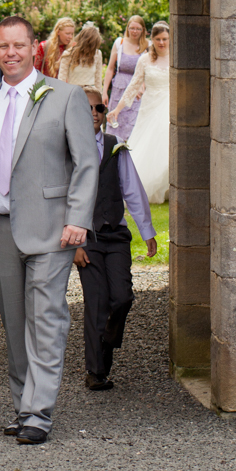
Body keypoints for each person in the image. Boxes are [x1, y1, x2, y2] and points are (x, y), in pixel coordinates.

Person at [0, 15, 98, 446]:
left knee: (46, 318)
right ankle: (22, 406)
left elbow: (86, 163)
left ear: (34, 48)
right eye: (3, 46)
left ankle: (39, 412)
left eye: (19, 45)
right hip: (1, 226)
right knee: (13, 322)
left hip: (54, 229)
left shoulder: (65, 96)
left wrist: (78, 219)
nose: (10, 53)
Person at [75, 90, 157, 391]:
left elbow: (133, 190)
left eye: (99, 108)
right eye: (87, 108)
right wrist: (74, 244)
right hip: (87, 237)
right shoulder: (67, 150)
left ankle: (109, 340)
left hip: (115, 235)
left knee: (121, 297)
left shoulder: (114, 147)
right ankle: (96, 371)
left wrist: (147, 231)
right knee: (96, 302)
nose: (94, 113)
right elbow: (59, 199)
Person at [108, 20, 170, 204]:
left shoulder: (176, 57)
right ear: (152, 39)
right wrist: (117, 109)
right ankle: (143, 185)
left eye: (165, 39)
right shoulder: (145, 59)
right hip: (149, 105)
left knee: (166, 141)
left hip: (169, 104)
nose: (161, 43)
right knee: (148, 143)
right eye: (158, 39)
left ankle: (167, 186)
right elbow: (133, 85)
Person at [102, 15, 148, 132]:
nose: (134, 31)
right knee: (115, 121)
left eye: (138, 29)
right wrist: (104, 92)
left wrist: (142, 87)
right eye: (132, 28)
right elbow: (110, 68)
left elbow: (147, 71)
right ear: (127, 28)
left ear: (142, 30)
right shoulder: (119, 43)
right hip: (119, 88)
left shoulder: (146, 46)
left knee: (132, 124)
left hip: (136, 90)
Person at [57, 23, 105, 95]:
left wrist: (99, 101)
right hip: (73, 94)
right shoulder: (68, 54)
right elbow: (61, 81)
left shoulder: (97, 54)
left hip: (91, 96)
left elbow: (98, 80)